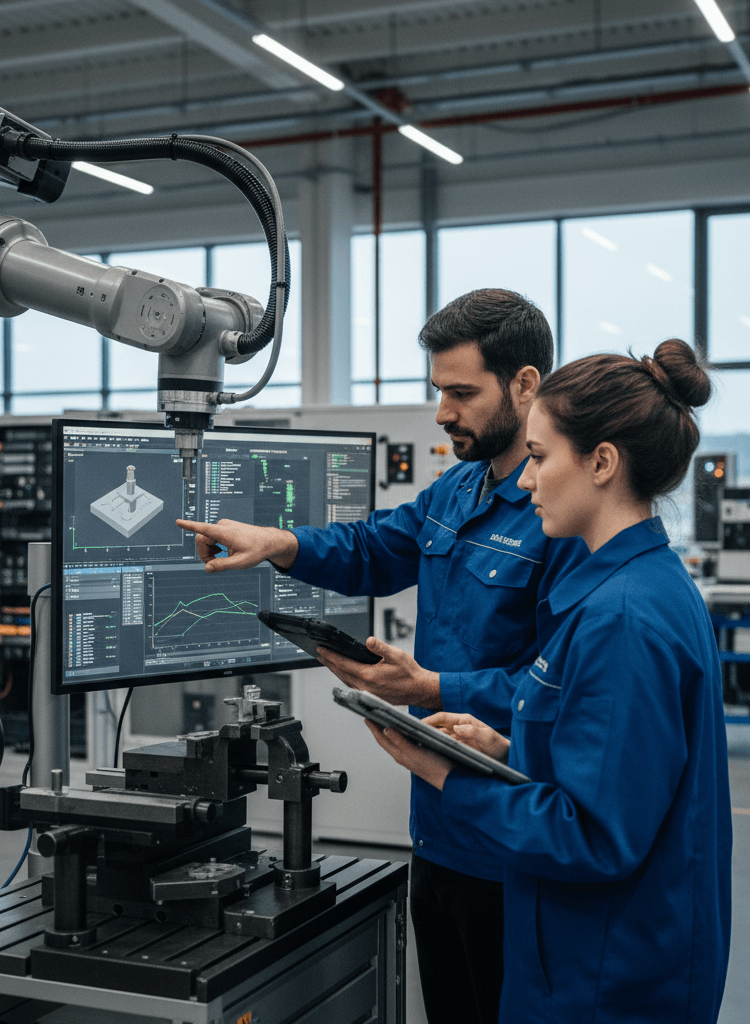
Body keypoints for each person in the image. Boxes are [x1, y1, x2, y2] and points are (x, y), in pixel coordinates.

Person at [177, 288, 588, 1024]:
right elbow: (372, 548)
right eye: (438, 392)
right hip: (435, 831)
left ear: (526, 384)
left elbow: (562, 688)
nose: (442, 413)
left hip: (516, 842)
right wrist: (278, 544)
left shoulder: (562, 516)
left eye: (462, 393)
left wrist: (430, 685)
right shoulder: (459, 490)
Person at [368, 340, 732, 1023]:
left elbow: (593, 836)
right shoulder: (622, 588)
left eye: (538, 458)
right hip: (594, 956)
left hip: (604, 978)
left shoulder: (623, 621)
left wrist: (454, 779)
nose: (526, 483)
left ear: (601, 463)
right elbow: (617, 773)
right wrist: (507, 752)